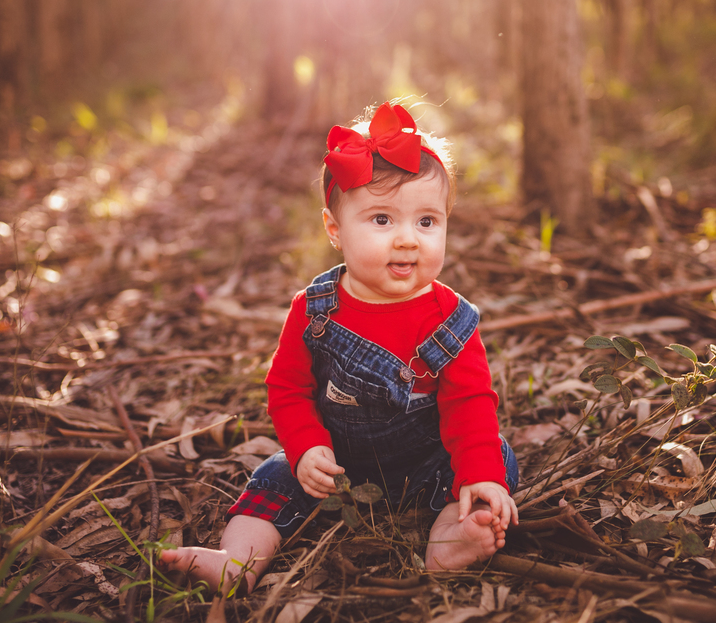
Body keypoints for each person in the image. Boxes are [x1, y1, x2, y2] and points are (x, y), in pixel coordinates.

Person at [160, 102, 518, 594]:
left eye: (427, 222)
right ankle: (237, 561)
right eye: (382, 220)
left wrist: (480, 474)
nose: (408, 240)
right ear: (335, 230)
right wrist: (307, 447)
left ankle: (449, 539)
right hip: (335, 469)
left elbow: (470, 402)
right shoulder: (315, 310)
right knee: (275, 476)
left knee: (493, 459)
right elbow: (287, 388)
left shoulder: (450, 319)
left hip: (426, 463)